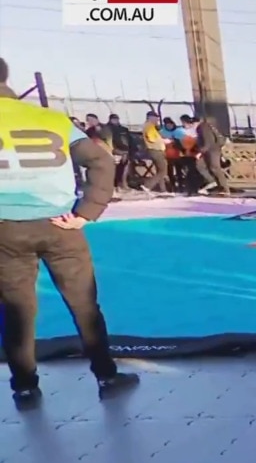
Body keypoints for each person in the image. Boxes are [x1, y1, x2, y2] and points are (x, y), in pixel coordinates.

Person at [0, 57, 140, 408]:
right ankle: (106, 376)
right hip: (60, 224)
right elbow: (101, 160)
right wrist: (87, 211)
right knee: (83, 304)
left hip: (5, 228)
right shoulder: (50, 119)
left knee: (17, 308)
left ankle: (25, 386)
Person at [139, 111, 168, 193]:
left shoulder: (150, 126)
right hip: (156, 150)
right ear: (150, 117)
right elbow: (152, 138)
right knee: (163, 171)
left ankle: (163, 189)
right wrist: (162, 141)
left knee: (159, 170)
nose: (157, 120)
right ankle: (147, 185)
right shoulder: (149, 126)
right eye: (156, 118)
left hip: (154, 150)